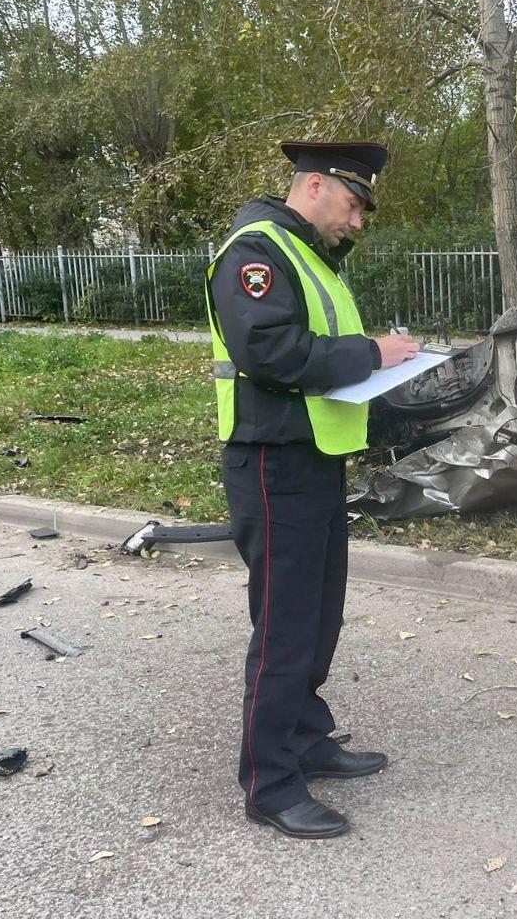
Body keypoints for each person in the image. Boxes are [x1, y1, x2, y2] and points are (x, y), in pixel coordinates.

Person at [205, 140, 419, 839]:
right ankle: (269, 783)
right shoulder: (257, 251)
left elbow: (315, 354)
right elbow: (268, 351)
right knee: (286, 629)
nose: (357, 221)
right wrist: (372, 355)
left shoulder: (309, 255)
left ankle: (305, 736)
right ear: (317, 186)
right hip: (272, 465)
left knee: (319, 617)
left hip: (315, 457)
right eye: (354, 204)